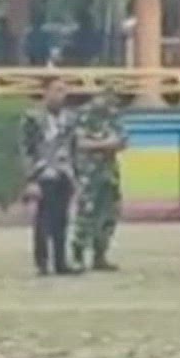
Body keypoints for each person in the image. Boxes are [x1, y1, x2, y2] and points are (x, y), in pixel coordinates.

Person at [20, 76, 80, 277]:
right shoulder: (33, 118)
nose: (60, 95)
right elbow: (26, 149)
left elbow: (74, 148)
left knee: (62, 220)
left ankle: (61, 261)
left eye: (63, 90)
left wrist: (77, 175)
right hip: (43, 173)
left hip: (64, 172)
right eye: (56, 90)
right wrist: (30, 179)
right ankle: (42, 262)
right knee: (43, 220)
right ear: (45, 92)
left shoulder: (70, 118)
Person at [69, 81, 128, 272]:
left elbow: (122, 141)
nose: (111, 101)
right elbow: (79, 143)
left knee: (109, 212)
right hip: (88, 172)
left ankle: (100, 255)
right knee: (86, 213)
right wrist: (106, 144)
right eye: (106, 96)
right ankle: (78, 254)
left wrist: (99, 144)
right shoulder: (83, 115)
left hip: (109, 172)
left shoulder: (113, 115)